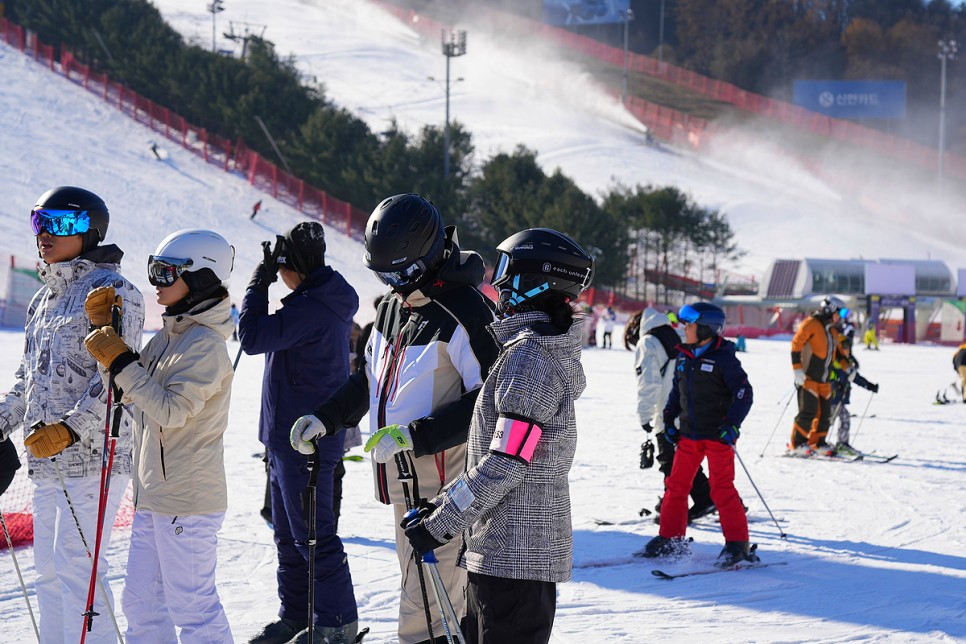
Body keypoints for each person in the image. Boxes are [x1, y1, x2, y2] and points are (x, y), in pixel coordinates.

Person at [290, 193, 499, 644]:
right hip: (404, 483)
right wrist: (326, 418)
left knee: (427, 607)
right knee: (426, 595)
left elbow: (491, 402)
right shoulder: (391, 307)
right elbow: (369, 383)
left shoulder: (466, 313)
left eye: (401, 274)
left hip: (448, 488)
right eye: (383, 275)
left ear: (427, 257)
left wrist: (415, 437)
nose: (394, 284)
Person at [400, 228, 594, 643]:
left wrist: (442, 522)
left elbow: (506, 463)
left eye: (506, 269)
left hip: (514, 560)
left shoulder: (530, 361)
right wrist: (440, 505)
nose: (498, 282)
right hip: (503, 554)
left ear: (535, 280)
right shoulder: (529, 351)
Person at [0, 186, 144, 644]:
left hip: (95, 457)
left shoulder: (115, 291)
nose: (45, 234)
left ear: (89, 231)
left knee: (77, 568)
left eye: (59, 224)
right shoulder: (43, 300)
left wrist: (71, 429)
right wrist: (3, 417)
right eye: (39, 221)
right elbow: (29, 376)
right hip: (45, 460)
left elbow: (118, 377)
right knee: (47, 569)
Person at [84, 228, 235, 642]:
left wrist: (122, 362)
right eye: (155, 270)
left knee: (194, 609)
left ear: (202, 277)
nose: (156, 282)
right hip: (155, 496)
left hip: (187, 501)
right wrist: (109, 350)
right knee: (142, 605)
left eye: (167, 273)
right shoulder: (171, 337)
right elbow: (129, 395)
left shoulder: (205, 345)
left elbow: (171, 411)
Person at [240, 221, 360, 644]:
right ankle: (296, 615)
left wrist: (258, 283)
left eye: (282, 267)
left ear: (295, 267)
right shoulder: (316, 299)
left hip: (304, 440)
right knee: (288, 535)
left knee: (313, 535)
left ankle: (335, 623)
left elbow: (251, 337)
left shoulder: (311, 308)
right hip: (285, 438)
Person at [640, 302, 756, 568]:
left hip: (717, 436)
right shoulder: (684, 356)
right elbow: (675, 394)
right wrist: (669, 420)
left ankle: (737, 544)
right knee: (676, 486)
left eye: (689, 325)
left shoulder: (724, 358)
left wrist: (732, 424)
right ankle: (670, 538)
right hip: (689, 435)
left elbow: (743, 393)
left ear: (706, 328)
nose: (685, 329)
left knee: (721, 489)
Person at [634, 307, 714, 522]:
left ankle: (673, 509)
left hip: (667, 412)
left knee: (670, 461)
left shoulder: (648, 342)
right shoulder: (680, 335)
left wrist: (644, 416)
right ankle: (706, 498)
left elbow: (649, 383)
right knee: (685, 458)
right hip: (692, 408)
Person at [788, 297, 851, 457]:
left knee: (825, 414)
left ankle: (817, 442)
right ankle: (798, 443)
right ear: (830, 310)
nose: (842, 317)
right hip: (808, 377)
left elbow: (836, 354)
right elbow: (796, 344)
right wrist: (797, 369)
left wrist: (848, 368)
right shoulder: (811, 324)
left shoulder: (832, 331)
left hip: (824, 380)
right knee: (807, 412)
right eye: (840, 313)